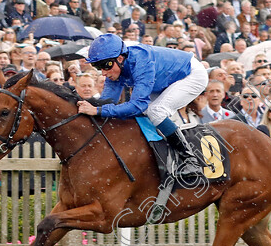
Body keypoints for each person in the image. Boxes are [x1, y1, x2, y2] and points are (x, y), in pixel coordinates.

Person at [78, 34, 209, 177]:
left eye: (106, 66)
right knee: (145, 113)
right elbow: (107, 102)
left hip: (191, 74)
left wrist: (97, 110)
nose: (103, 72)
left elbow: (137, 105)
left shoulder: (141, 61)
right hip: (165, 79)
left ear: (120, 58)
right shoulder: (115, 66)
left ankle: (190, 160)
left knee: (155, 111)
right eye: (97, 67)